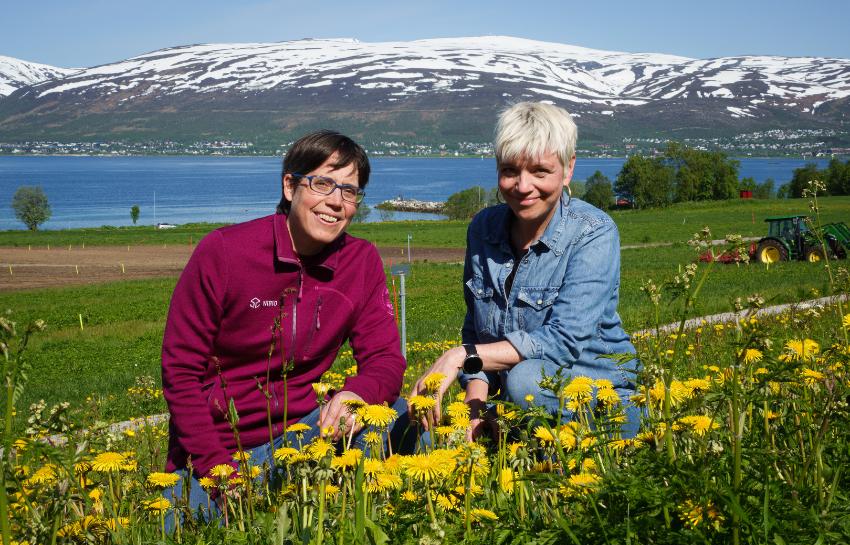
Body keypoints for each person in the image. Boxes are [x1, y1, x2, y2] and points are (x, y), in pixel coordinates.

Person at [162, 130, 408, 519]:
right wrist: (220, 472)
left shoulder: (360, 261)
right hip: (220, 452)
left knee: (397, 416)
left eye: (350, 191)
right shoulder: (224, 253)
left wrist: (356, 395)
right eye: (323, 183)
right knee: (170, 535)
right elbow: (180, 372)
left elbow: (385, 359)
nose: (336, 202)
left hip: (309, 435)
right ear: (290, 186)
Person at [411, 102, 639, 439]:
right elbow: (477, 330)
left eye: (539, 171)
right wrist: (474, 408)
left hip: (598, 400)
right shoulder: (483, 229)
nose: (522, 186)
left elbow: (561, 343)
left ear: (568, 168)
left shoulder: (593, 232)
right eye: (510, 170)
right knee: (427, 433)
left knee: (525, 380)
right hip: (514, 401)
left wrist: (462, 357)